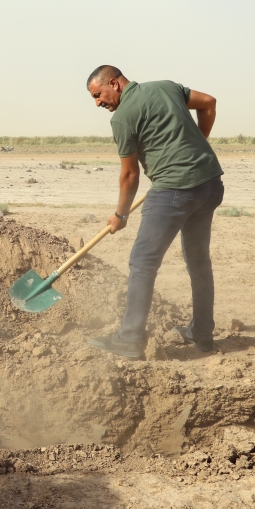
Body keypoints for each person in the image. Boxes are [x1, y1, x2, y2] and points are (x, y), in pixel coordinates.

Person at [84, 65, 224, 359]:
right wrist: (197, 142)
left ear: (114, 83)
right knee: (199, 261)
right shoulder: (166, 87)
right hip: (210, 184)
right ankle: (202, 335)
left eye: (98, 95)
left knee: (143, 263)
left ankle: (129, 339)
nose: (97, 103)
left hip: (173, 191)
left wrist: (120, 215)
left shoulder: (122, 118)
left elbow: (129, 175)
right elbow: (209, 103)